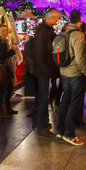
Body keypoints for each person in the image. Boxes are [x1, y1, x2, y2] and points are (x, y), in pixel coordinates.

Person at [56, 10, 86, 145]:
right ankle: (69, 134)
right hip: (75, 73)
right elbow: (80, 58)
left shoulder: (62, 33)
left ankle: (61, 130)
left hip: (63, 72)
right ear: (80, 21)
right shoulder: (78, 35)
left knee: (65, 100)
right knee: (74, 102)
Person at [32, 8, 60, 137]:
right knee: (43, 97)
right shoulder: (42, 31)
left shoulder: (47, 30)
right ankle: (42, 125)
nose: (58, 19)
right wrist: (45, 69)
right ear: (52, 17)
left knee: (45, 97)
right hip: (43, 70)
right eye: (57, 17)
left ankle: (43, 123)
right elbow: (39, 52)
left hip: (45, 69)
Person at [0, 24, 17, 120]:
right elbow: (1, 55)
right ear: (0, 31)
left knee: (9, 87)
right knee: (3, 89)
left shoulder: (3, 41)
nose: (7, 32)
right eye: (5, 30)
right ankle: (0, 110)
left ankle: (7, 107)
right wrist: (11, 52)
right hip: (2, 67)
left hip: (5, 67)